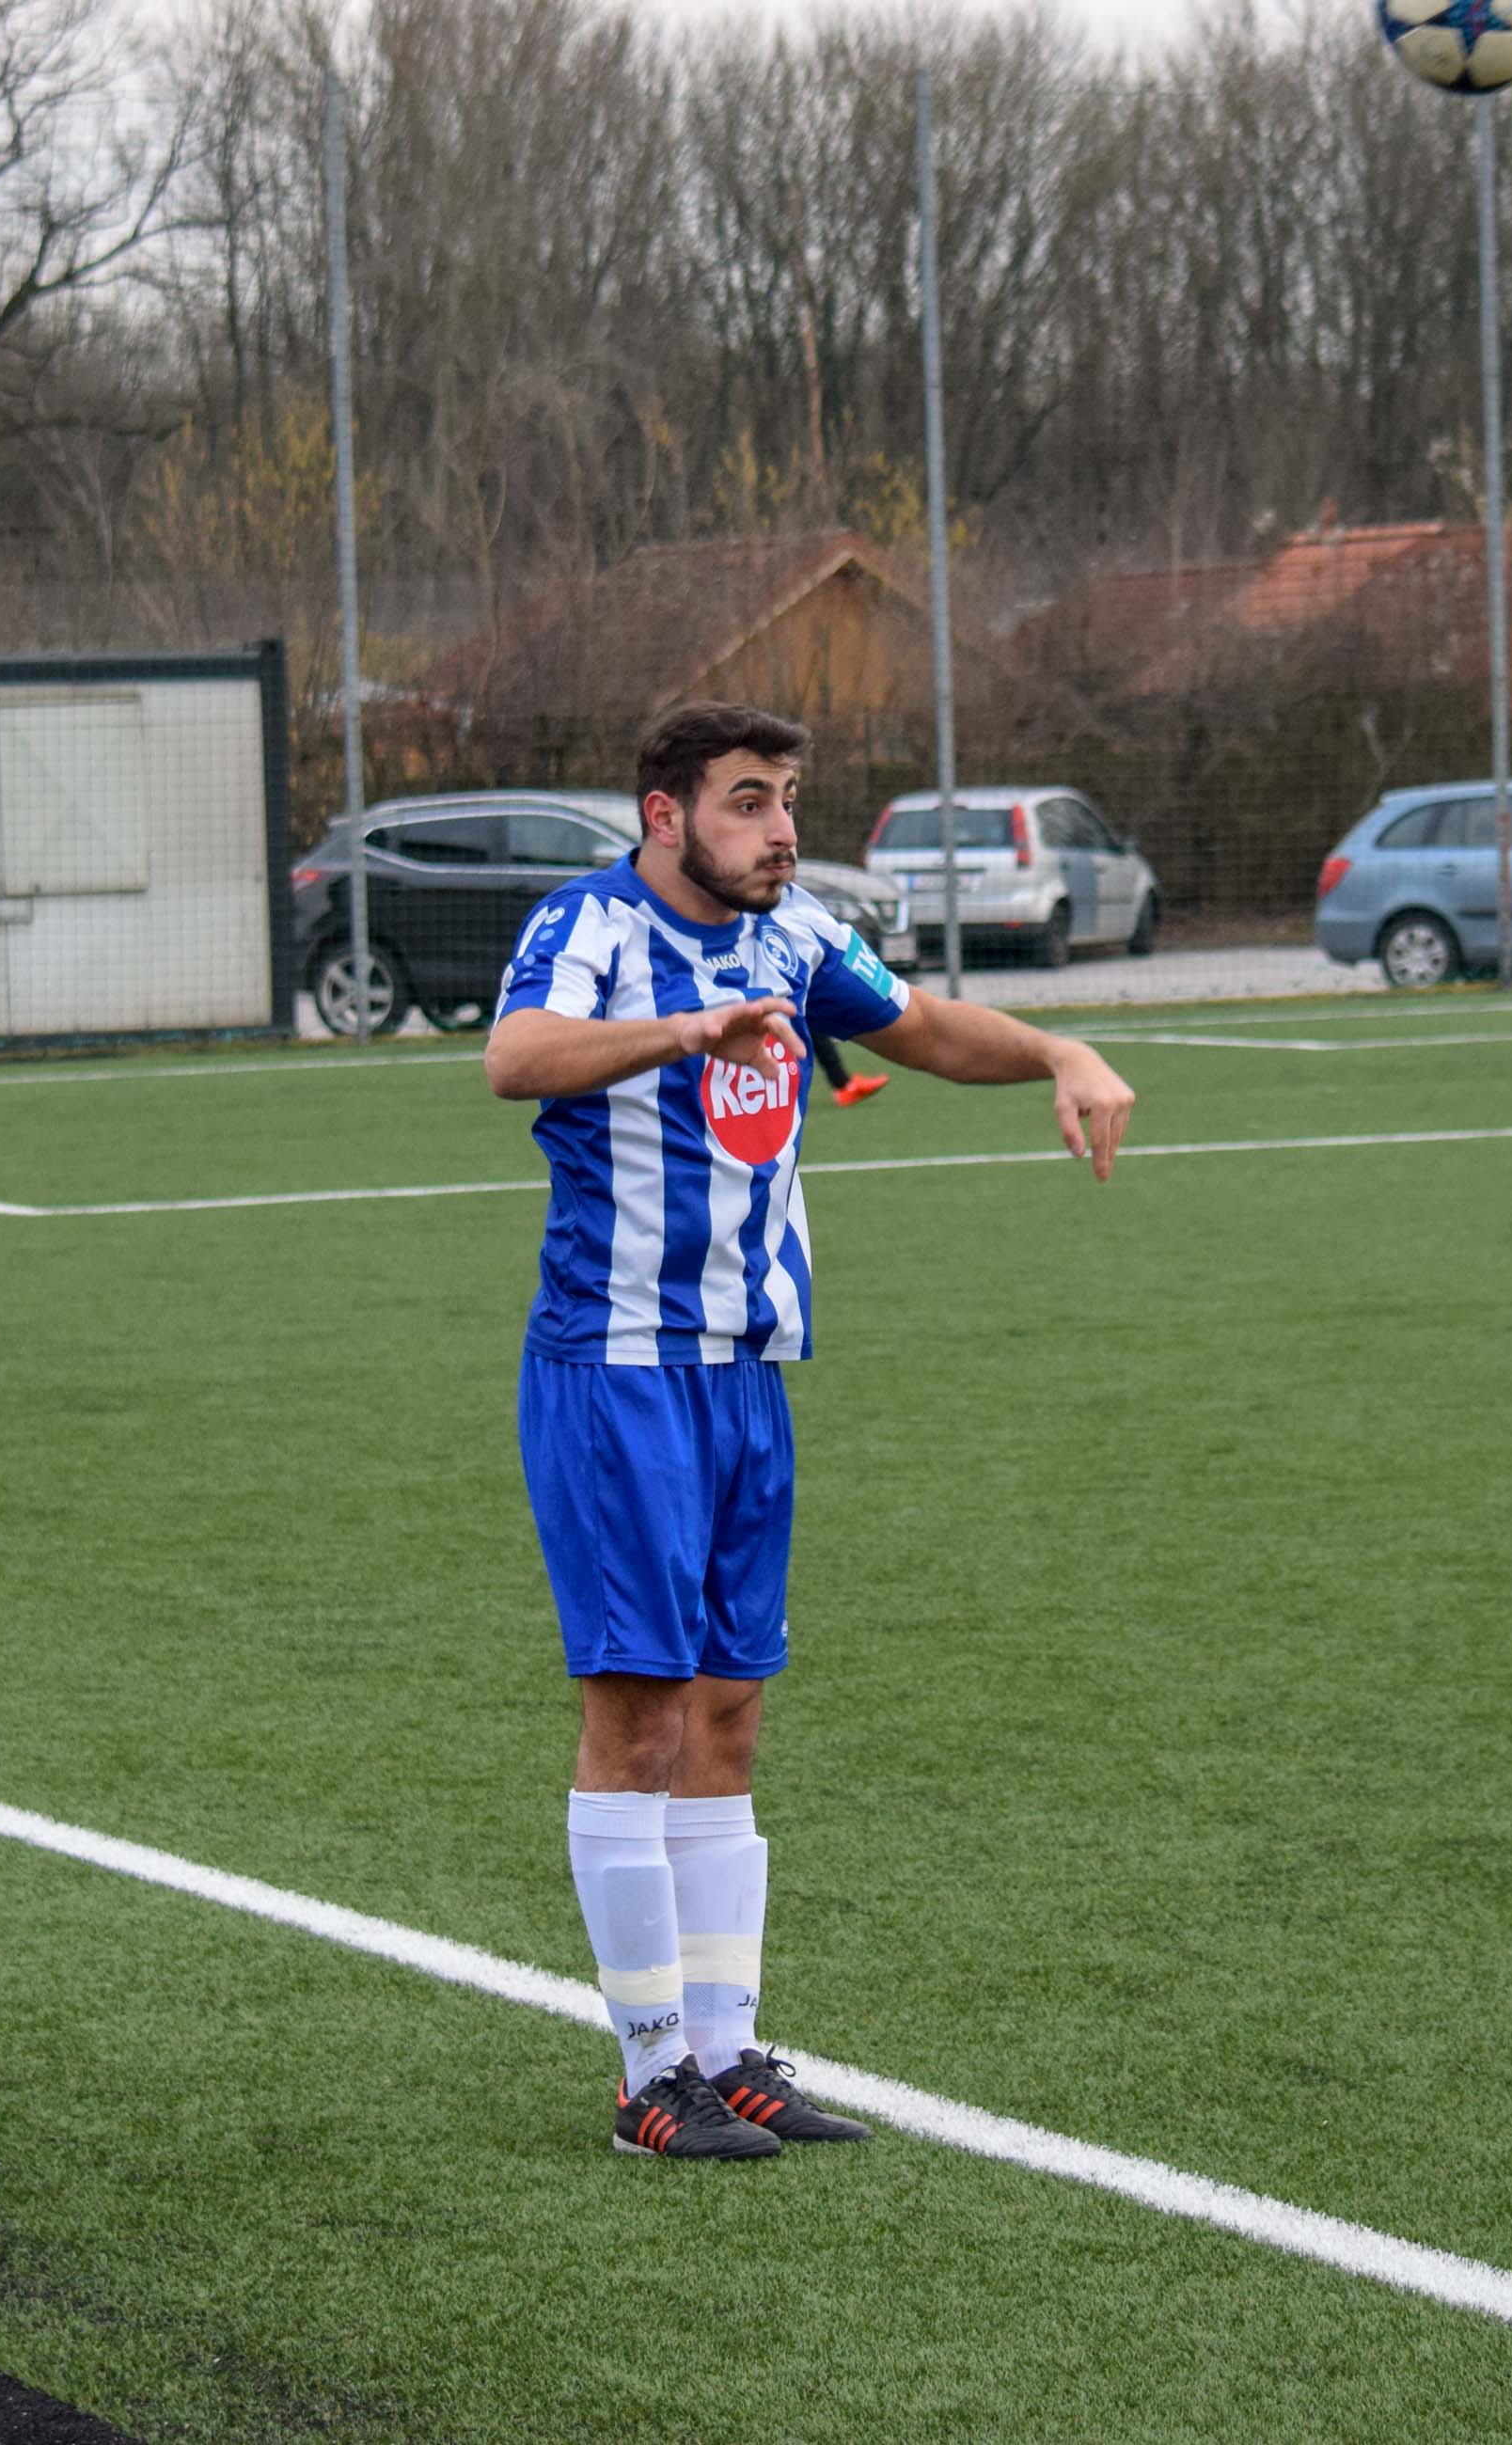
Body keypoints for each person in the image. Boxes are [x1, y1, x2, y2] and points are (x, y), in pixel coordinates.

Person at [483, 701, 1138, 2159]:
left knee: (728, 1711)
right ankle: (648, 2074)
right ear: (665, 815)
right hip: (619, 1367)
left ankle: (726, 2054)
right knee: (640, 1716)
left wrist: (1057, 1049)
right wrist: (684, 1030)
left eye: (787, 798)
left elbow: (923, 1029)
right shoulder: (592, 925)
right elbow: (516, 1056)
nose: (781, 829)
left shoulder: (793, 935)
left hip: (748, 1370)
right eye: (748, 800)